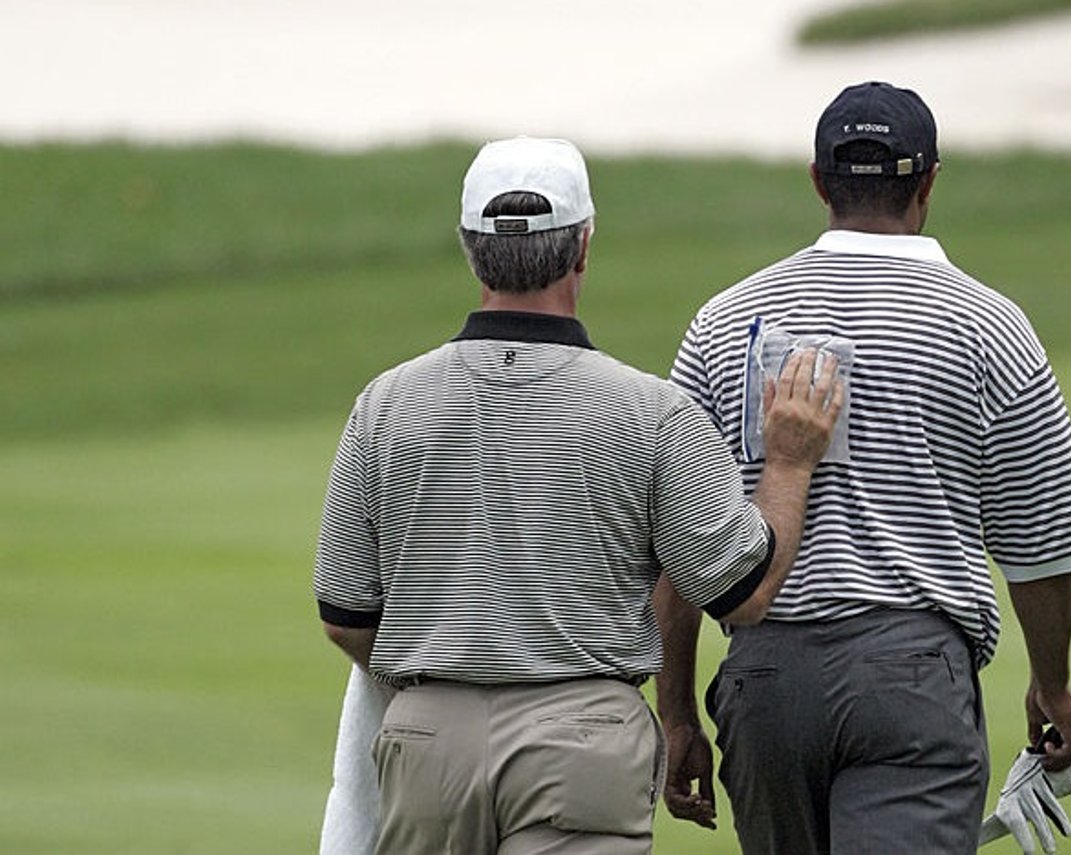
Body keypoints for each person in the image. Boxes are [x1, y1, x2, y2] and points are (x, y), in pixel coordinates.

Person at [312, 136, 843, 855]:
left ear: (470, 248)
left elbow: (346, 617)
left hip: (426, 738)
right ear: (583, 247)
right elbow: (742, 589)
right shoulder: (652, 411)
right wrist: (788, 462)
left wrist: (455, 656)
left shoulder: (384, 404)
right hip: (582, 739)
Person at [655, 82, 1071, 854]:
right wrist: (1050, 684)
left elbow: (674, 540)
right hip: (913, 679)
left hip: (763, 685)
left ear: (819, 181)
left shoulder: (722, 321)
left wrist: (676, 711)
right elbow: (1042, 543)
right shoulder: (990, 325)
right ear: (928, 182)